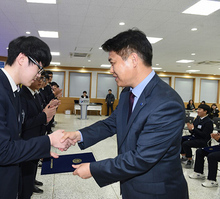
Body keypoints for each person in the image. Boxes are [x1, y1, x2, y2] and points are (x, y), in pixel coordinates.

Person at [61, 29, 188, 198]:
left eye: (113, 62)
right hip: (131, 187)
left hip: (156, 193)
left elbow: (141, 159)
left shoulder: (166, 104)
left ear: (133, 59)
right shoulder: (128, 92)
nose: (111, 70)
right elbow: (112, 123)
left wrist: (93, 169)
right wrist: (78, 135)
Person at [0, 36, 71, 199]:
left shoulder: (13, 91)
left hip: (4, 183)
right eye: (39, 68)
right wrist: (49, 141)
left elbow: (17, 136)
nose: (39, 75)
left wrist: (42, 148)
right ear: (22, 59)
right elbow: (2, 150)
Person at [19, 77, 59, 198]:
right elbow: (23, 124)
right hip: (27, 141)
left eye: (42, 78)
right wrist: (44, 116)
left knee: (32, 170)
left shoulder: (36, 95)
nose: (41, 81)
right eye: (38, 78)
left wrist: (47, 113)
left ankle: (31, 185)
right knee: (25, 180)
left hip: (37, 138)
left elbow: (41, 113)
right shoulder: (22, 96)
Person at [181, 104, 213, 168]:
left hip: (203, 140)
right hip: (195, 137)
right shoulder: (197, 118)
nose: (198, 111)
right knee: (181, 139)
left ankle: (190, 159)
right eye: (198, 109)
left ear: (205, 111)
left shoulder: (208, 122)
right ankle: (184, 156)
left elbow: (204, 135)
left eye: (200, 109)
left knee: (186, 144)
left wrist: (193, 129)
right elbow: (193, 129)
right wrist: (191, 129)